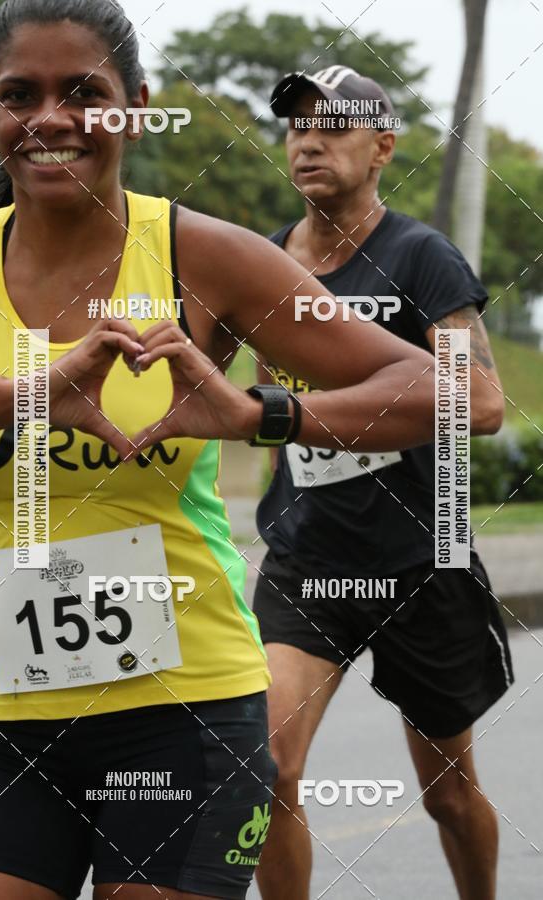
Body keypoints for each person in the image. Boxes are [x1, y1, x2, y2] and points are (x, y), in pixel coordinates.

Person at [0, 7, 436, 900]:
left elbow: (428, 388)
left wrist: (257, 414)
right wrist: (27, 393)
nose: (51, 119)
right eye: (21, 95)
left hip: (185, 715)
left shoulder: (199, 255)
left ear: (134, 107)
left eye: (84, 94)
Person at [253, 66, 514, 900]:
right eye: (297, 127)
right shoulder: (265, 266)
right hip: (308, 563)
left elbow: (481, 403)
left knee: (447, 794)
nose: (310, 141)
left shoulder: (418, 256)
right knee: (265, 767)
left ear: (383, 147)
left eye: (334, 125)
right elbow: (264, 407)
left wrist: (330, 413)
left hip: (418, 560)